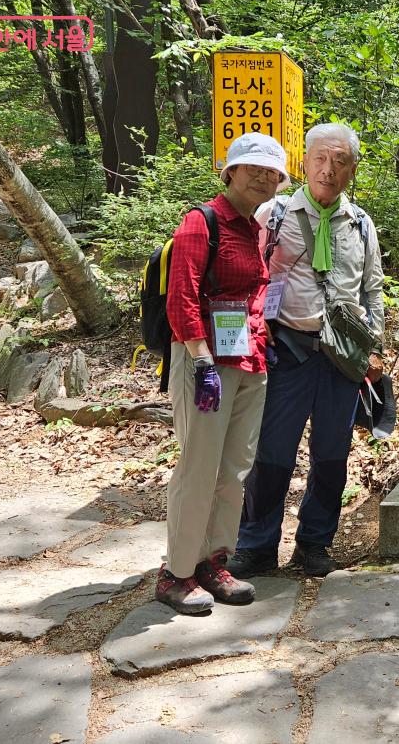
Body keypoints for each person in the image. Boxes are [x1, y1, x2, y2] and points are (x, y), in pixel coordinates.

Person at [227, 123, 384, 578]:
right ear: (303, 163)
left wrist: (375, 345)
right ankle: (256, 544)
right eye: (320, 159)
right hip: (286, 351)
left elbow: (371, 290)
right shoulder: (271, 214)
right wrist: (254, 326)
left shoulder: (361, 223)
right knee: (272, 455)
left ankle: (315, 544)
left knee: (332, 456)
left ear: (352, 169)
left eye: (340, 161)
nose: (328, 170)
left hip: (342, 358)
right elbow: (243, 273)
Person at [157, 132, 288, 614]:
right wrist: (200, 358)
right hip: (205, 364)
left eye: (272, 171)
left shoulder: (258, 229)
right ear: (229, 171)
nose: (263, 176)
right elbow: (181, 297)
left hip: (249, 362)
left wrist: (260, 336)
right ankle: (177, 572)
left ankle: (214, 561)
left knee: (234, 470)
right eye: (253, 167)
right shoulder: (202, 222)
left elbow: (254, 291)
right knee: (199, 467)